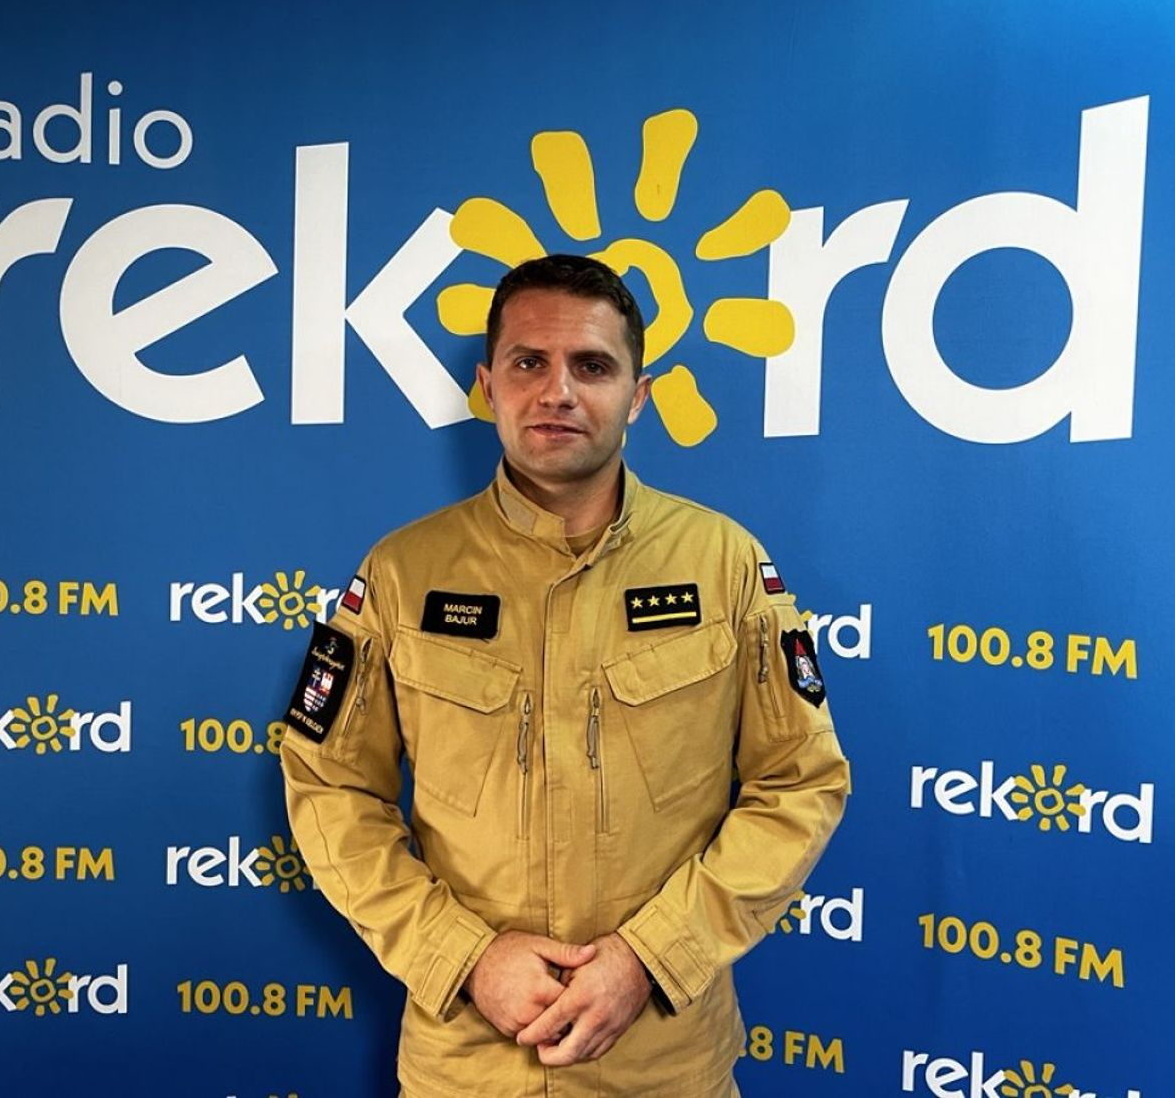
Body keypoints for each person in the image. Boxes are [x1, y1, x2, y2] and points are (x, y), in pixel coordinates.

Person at [280, 253, 849, 1097]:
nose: (558, 391)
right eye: (528, 363)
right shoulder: (401, 574)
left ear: (637, 394)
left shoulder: (725, 564)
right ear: (487, 387)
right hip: (467, 1068)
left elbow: (800, 782)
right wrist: (462, 957)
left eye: (592, 365)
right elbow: (329, 785)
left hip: (666, 1067)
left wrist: (653, 957)